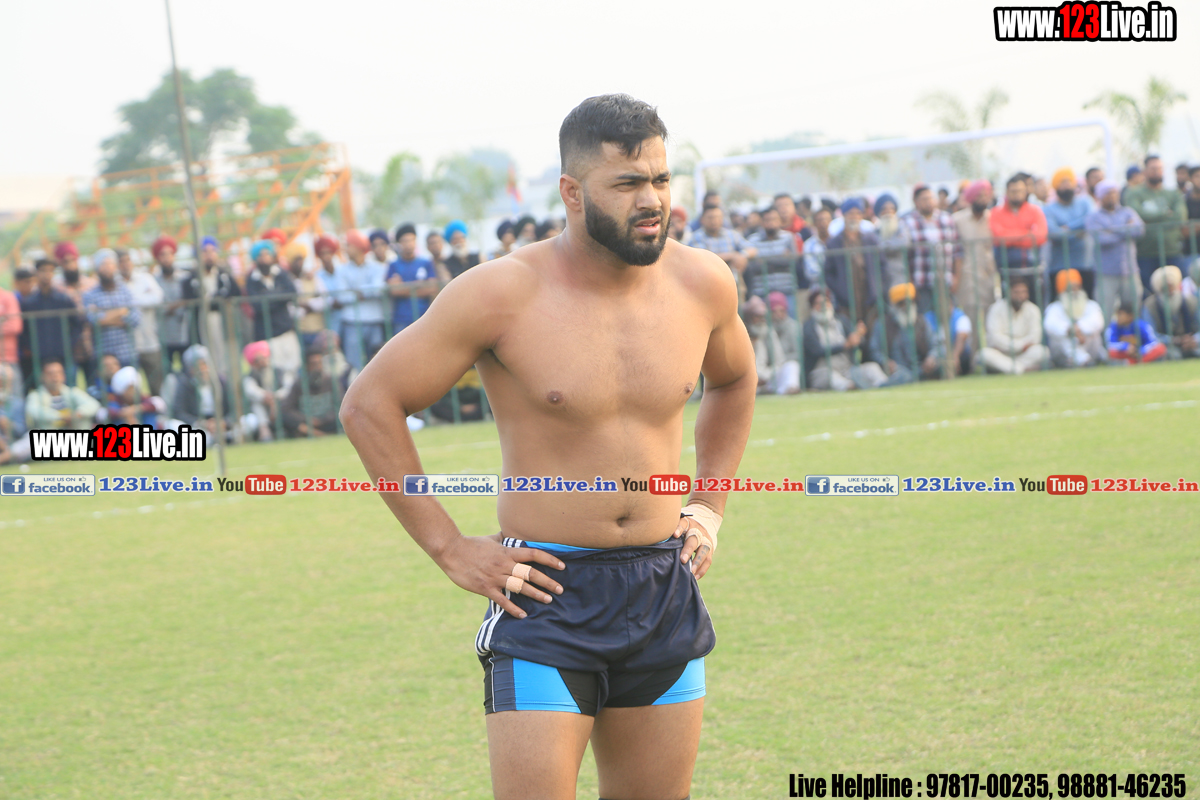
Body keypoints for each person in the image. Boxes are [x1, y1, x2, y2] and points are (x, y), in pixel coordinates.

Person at [338, 93, 756, 800]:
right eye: (627, 183)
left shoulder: (702, 282)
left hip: (663, 586)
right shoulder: (502, 293)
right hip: (546, 594)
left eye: (660, 179)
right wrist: (449, 547)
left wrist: (709, 505)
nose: (651, 200)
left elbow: (735, 380)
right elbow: (369, 404)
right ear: (572, 192)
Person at [1124, 155, 1189, 297]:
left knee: (1179, 293)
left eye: (1159, 168)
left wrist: (1150, 218)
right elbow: (1137, 215)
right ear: (1145, 171)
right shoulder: (1133, 193)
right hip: (1145, 254)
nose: (1157, 172)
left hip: (1172, 251)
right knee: (1149, 295)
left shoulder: (1174, 194)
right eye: (1153, 168)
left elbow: (1180, 217)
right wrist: (1166, 214)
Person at [803, 287, 886, 391]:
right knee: (835, 379)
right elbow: (817, 351)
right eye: (818, 303)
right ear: (812, 307)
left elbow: (859, 343)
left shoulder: (841, 321)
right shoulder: (809, 327)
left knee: (872, 368)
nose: (823, 306)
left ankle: (885, 385)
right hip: (823, 372)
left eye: (826, 301)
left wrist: (859, 336)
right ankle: (851, 387)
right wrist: (845, 345)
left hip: (847, 369)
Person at [1086, 179, 1145, 320]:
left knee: (1134, 311)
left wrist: (1111, 230)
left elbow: (1139, 230)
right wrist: (1126, 229)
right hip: (1106, 273)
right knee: (1105, 312)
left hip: (1130, 271)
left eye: (1114, 193)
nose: (1112, 196)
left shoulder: (1128, 212)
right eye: (1107, 193)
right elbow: (1102, 239)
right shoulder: (1093, 217)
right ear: (1100, 197)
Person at [952, 180, 999, 352]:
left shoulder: (993, 218)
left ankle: (990, 357)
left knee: (991, 320)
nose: (983, 199)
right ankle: (972, 359)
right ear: (971, 198)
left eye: (986, 195)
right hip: (967, 277)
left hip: (988, 277)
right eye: (979, 195)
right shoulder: (957, 220)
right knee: (970, 321)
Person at [244, 240, 302, 379]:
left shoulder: (281, 273)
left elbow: (291, 293)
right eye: (261, 255)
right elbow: (258, 305)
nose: (264, 258)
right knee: (277, 372)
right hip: (267, 334)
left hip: (286, 329)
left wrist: (268, 297)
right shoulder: (252, 279)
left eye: (267, 254)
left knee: (294, 368)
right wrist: (279, 296)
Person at [185, 236, 241, 378]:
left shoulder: (224, 276)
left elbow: (235, 293)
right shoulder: (192, 278)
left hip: (224, 322)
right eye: (205, 252)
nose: (209, 255)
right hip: (203, 321)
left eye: (212, 251)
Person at [19, 258, 80, 388]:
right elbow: (23, 329)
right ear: (36, 273)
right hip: (39, 357)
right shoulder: (29, 302)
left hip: (63, 355)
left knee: (69, 388)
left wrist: (69, 344)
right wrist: (31, 348)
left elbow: (77, 324)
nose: (46, 274)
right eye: (43, 270)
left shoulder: (63, 299)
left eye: (50, 271)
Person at [900, 184, 960, 315]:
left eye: (931, 198)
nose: (929, 202)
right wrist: (910, 282)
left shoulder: (947, 219)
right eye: (924, 199)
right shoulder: (907, 222)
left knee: (948, 317)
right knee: (926, 319)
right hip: (922, 282)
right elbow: (905, 257)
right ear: (916, 202)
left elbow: (957, 251)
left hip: (945, 281)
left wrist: (956, 277)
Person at [824, 198, 883, 329]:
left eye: (857, 213)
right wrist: (840, 290)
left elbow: (882, 265)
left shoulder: (870, 240)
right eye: (850, 213)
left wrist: (877, 289)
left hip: (869, 297)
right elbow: (828, 272)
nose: (854, 217)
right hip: (846, 301)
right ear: (844, 216)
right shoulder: (834, 243)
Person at [115, 248, 166, 395]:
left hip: (150, 342)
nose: (125, 264)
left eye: (127, 260)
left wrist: (131, 304)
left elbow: (158, 298)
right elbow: (117, 310)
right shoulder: (115, 284)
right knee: (131, 390)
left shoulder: (145, 278)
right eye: (121, 262)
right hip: (127, 347)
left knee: (157, 386)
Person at [83, 249, 141, 370]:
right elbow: (94, 320)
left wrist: (105, 318)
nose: (107, 268)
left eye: (110, 264)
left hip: (127, 354)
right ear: (97, 269)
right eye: (103, 264)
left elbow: (135, 319)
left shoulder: (126, 291)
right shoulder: (90, 295)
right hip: (103, 357)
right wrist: (120, 312)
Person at [337, 230, 387, 371]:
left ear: (358, 247)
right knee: (354, 365)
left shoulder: (377, 267)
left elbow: (377, 289)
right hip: (352, 322)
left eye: (348, 245)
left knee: (378, 364)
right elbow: (342, 296)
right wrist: (366, 292)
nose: (345, 249)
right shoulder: (342, 270)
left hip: (374, 320)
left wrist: (356, 291)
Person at [980, 278, 1049, 374]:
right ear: (1009, 293)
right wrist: (1020, 345)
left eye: (1023, 292)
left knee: (1042, 352)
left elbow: (1035, 337)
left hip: (1023, 353)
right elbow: (995, 337)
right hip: (1002, 353)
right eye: (1016, 292)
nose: (1020, 296)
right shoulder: (996, 309)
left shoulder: (1033, 310)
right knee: (984, 354)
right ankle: (1021, 369)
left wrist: (1021, 347)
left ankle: (1011, 369)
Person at [1044, 168, 1093, 300]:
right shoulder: (1049, 209)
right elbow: (1054, 234)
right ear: (1056, 187)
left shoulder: (1085, 202)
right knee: (1059, 302)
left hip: (1085, 264)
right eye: (1062, 182)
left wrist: (1068, 228)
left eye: (1068, 182)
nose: (1066, 186)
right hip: (1059, 266)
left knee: (1087, 301)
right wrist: (1078, 232)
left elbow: (1090, 220)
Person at [871, 282, 933, 385]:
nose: (905, 307)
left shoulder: (921, 321)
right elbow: (875, 350)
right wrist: (886, 362)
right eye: (901, 303)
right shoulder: (883, 324)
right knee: (902, 377)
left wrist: (931, 357)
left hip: (922, 369)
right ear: (894, 306)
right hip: (897, 372)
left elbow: (936, 345)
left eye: (909, 302)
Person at [990, 174, 1048, 282]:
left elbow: (1040, 237)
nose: (1017, 194)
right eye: (1013, 191)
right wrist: (1028, 234)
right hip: (1006, 270)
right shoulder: (996, 213)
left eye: (1020, 191)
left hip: (1032, 268)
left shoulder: (1035, 211)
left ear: (1025, 191)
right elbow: (999, 237)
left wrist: (1010, 236)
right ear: (1007, 192)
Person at [1043, 269, 1106, 367]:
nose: (1075, 291)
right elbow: (1050, 326)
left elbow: (1098, 323)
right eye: (1070, 288)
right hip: (1062, 353)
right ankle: (1084, 361)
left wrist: (1079, 329)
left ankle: (1092, 360)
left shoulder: (1091, 305)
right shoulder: (1054, 308)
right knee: (1065, 338)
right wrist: (1070, 330)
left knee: (1093, 334)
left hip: (1088, 345)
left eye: (1077, 287)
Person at [172, 344, 236, 440]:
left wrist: (224, 422)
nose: (202, 369)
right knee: (173, 425)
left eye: (204, 364)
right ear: (190, 369)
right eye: (197, 366)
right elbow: (179, 412)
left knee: (249, 420)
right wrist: (201, 423)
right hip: (198, 425)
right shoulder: (184, 384)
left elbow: (234, 407)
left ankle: (225, 436)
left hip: (221, 423)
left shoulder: (221, 381)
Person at [387, 223, 442, 334]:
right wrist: (419, 285)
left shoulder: (426, 263)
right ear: (399, 243)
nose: (408, 244)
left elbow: (432, 288)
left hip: (423, 317)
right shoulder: (394, 265)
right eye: (405, 241)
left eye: (411, 240)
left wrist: (404, 287)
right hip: (401, 319)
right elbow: (394, 290)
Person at [690, 205, 757, 292]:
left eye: (718, 217)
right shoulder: (697, 237)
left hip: (733, 280)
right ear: (702, 220)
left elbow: (752, 249)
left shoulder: (732, 234)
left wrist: (742, 255)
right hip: (707, 282)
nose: (714, 221)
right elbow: (703, 258)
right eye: (710, 217)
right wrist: (732, 256)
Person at [745, 206, 801, 308]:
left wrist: (764, 260)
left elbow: (794, 261)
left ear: (780, 221)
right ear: (762, 222)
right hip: (762, 293)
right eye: (767, 220)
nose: (771, 223)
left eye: (774, 219)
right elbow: (753, 266)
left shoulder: (788, 237)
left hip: (786, 290)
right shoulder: (752, 240)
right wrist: (781, 259)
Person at [282, 341, 340, 437]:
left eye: (319, 363)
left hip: (326, 423)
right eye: (313, 364)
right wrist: (306, 419)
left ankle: (314, 433)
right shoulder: (299, 384)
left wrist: (323, 420)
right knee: (283, 418)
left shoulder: (331, 381)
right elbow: (286, 409)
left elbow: (340, 405)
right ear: (307, 366)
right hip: (305, 423)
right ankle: (313, 432)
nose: (317, 367)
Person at [152, 235, 193, 370]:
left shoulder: (184, 278)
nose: (167, 258)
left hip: (184, 333)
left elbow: (187, 302)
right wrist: (176, 305)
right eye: (162, 255)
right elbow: (158, 307)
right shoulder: (153, 281)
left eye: (169, 254)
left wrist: (174, 306)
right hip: (164, 336)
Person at [25, 359, 100, 430]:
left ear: (64, 375)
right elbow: (34, 411)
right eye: (50, 373)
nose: (55, 376)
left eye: (58, 372)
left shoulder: (72, 391)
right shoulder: (35, 395)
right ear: (42, 376)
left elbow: (93, 404)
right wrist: (61, 417)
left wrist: (78, 414)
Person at [241, 340, 292, 440]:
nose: (261, 362)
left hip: (281, 402)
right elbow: (252, 391)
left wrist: (275, 397)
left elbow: (288, 388)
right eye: (257, 360)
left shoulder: (279, 371)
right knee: (257, 404)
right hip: (263, 404)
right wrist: (266, 397)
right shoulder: (251, 376)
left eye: (263, 358)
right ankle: (264, 430)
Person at [1143, 265, 1198, 358]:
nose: (1169, 288)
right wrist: (1172, 340)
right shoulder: (1150, 305)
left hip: (1192, 344)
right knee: (1172, 355)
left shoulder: (1190, 301)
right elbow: (1151, 334)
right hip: (1165, 346)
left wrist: (1194, 340)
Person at [743, 295, 784, 394]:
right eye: (757, 316)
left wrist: (767, 374)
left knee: (791, 366)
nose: (761, 319)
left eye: (763, 316)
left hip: (769, 375)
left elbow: (779, 360)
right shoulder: (742, 334)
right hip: (748, 379)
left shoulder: (769, 332)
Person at [1106, 300, 1166, 364]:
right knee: (1110, 352)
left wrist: (1139, 351)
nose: (1117, 317)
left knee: (1160, 348)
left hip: (1141, 354)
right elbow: (1110, 344)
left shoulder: (1142, 326)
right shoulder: (1114, 326)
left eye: (1120, 314)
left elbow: (1153, 342)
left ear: (1130, 316)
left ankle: (1133, 363)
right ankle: (1131, 363)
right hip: (1125, 353)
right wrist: (1126, 347)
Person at [767, 291, 801, 394]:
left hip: (785, 365)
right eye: (774, 311)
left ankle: (791, 388)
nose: (778, 314)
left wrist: (781, 360)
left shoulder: (794, 327)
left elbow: (797, 354)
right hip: (769, 370)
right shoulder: (765, 328)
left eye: (781, 310)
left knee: (792, 365)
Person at [873, 193, 909, 287]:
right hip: (881, 278)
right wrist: (890, 245)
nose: (888, 212)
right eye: (884, 209)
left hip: (900, 276)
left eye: (891, 209)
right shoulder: (875, 232)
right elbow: (875, 247)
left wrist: (884, 245)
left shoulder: (902, 228)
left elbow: (903, 243)